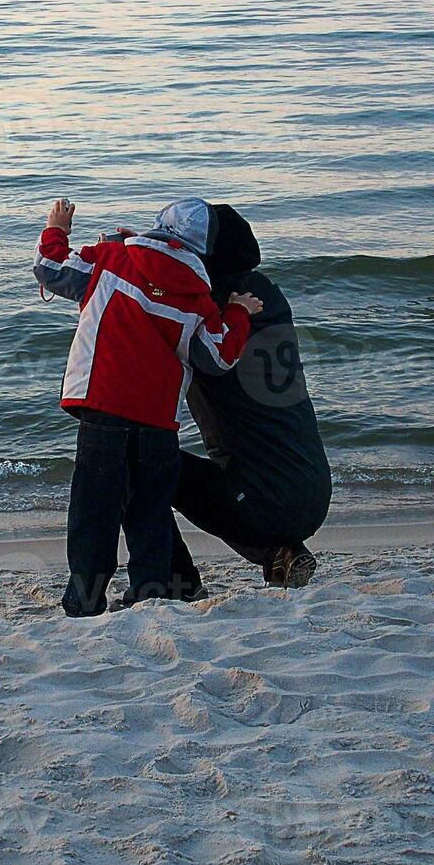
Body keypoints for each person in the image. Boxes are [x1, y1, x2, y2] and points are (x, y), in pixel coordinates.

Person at [33, 197, 262, 617]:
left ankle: (84, 603)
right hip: (158, 420)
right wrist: (238, 312)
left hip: (101, 406)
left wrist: (57, 228)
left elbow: (51, 269)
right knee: (148, 513)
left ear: (157, 227)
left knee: (93, 512)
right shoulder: (198, 295)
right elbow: (217, 356)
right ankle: (152, 596)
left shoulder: (113, 258)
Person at [167, 204, 333, 594]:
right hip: (314, 490)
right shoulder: (267, 296)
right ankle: (280, 551)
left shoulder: (206, 315)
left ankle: (177, 585)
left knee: (138, 464)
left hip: (264, 501)